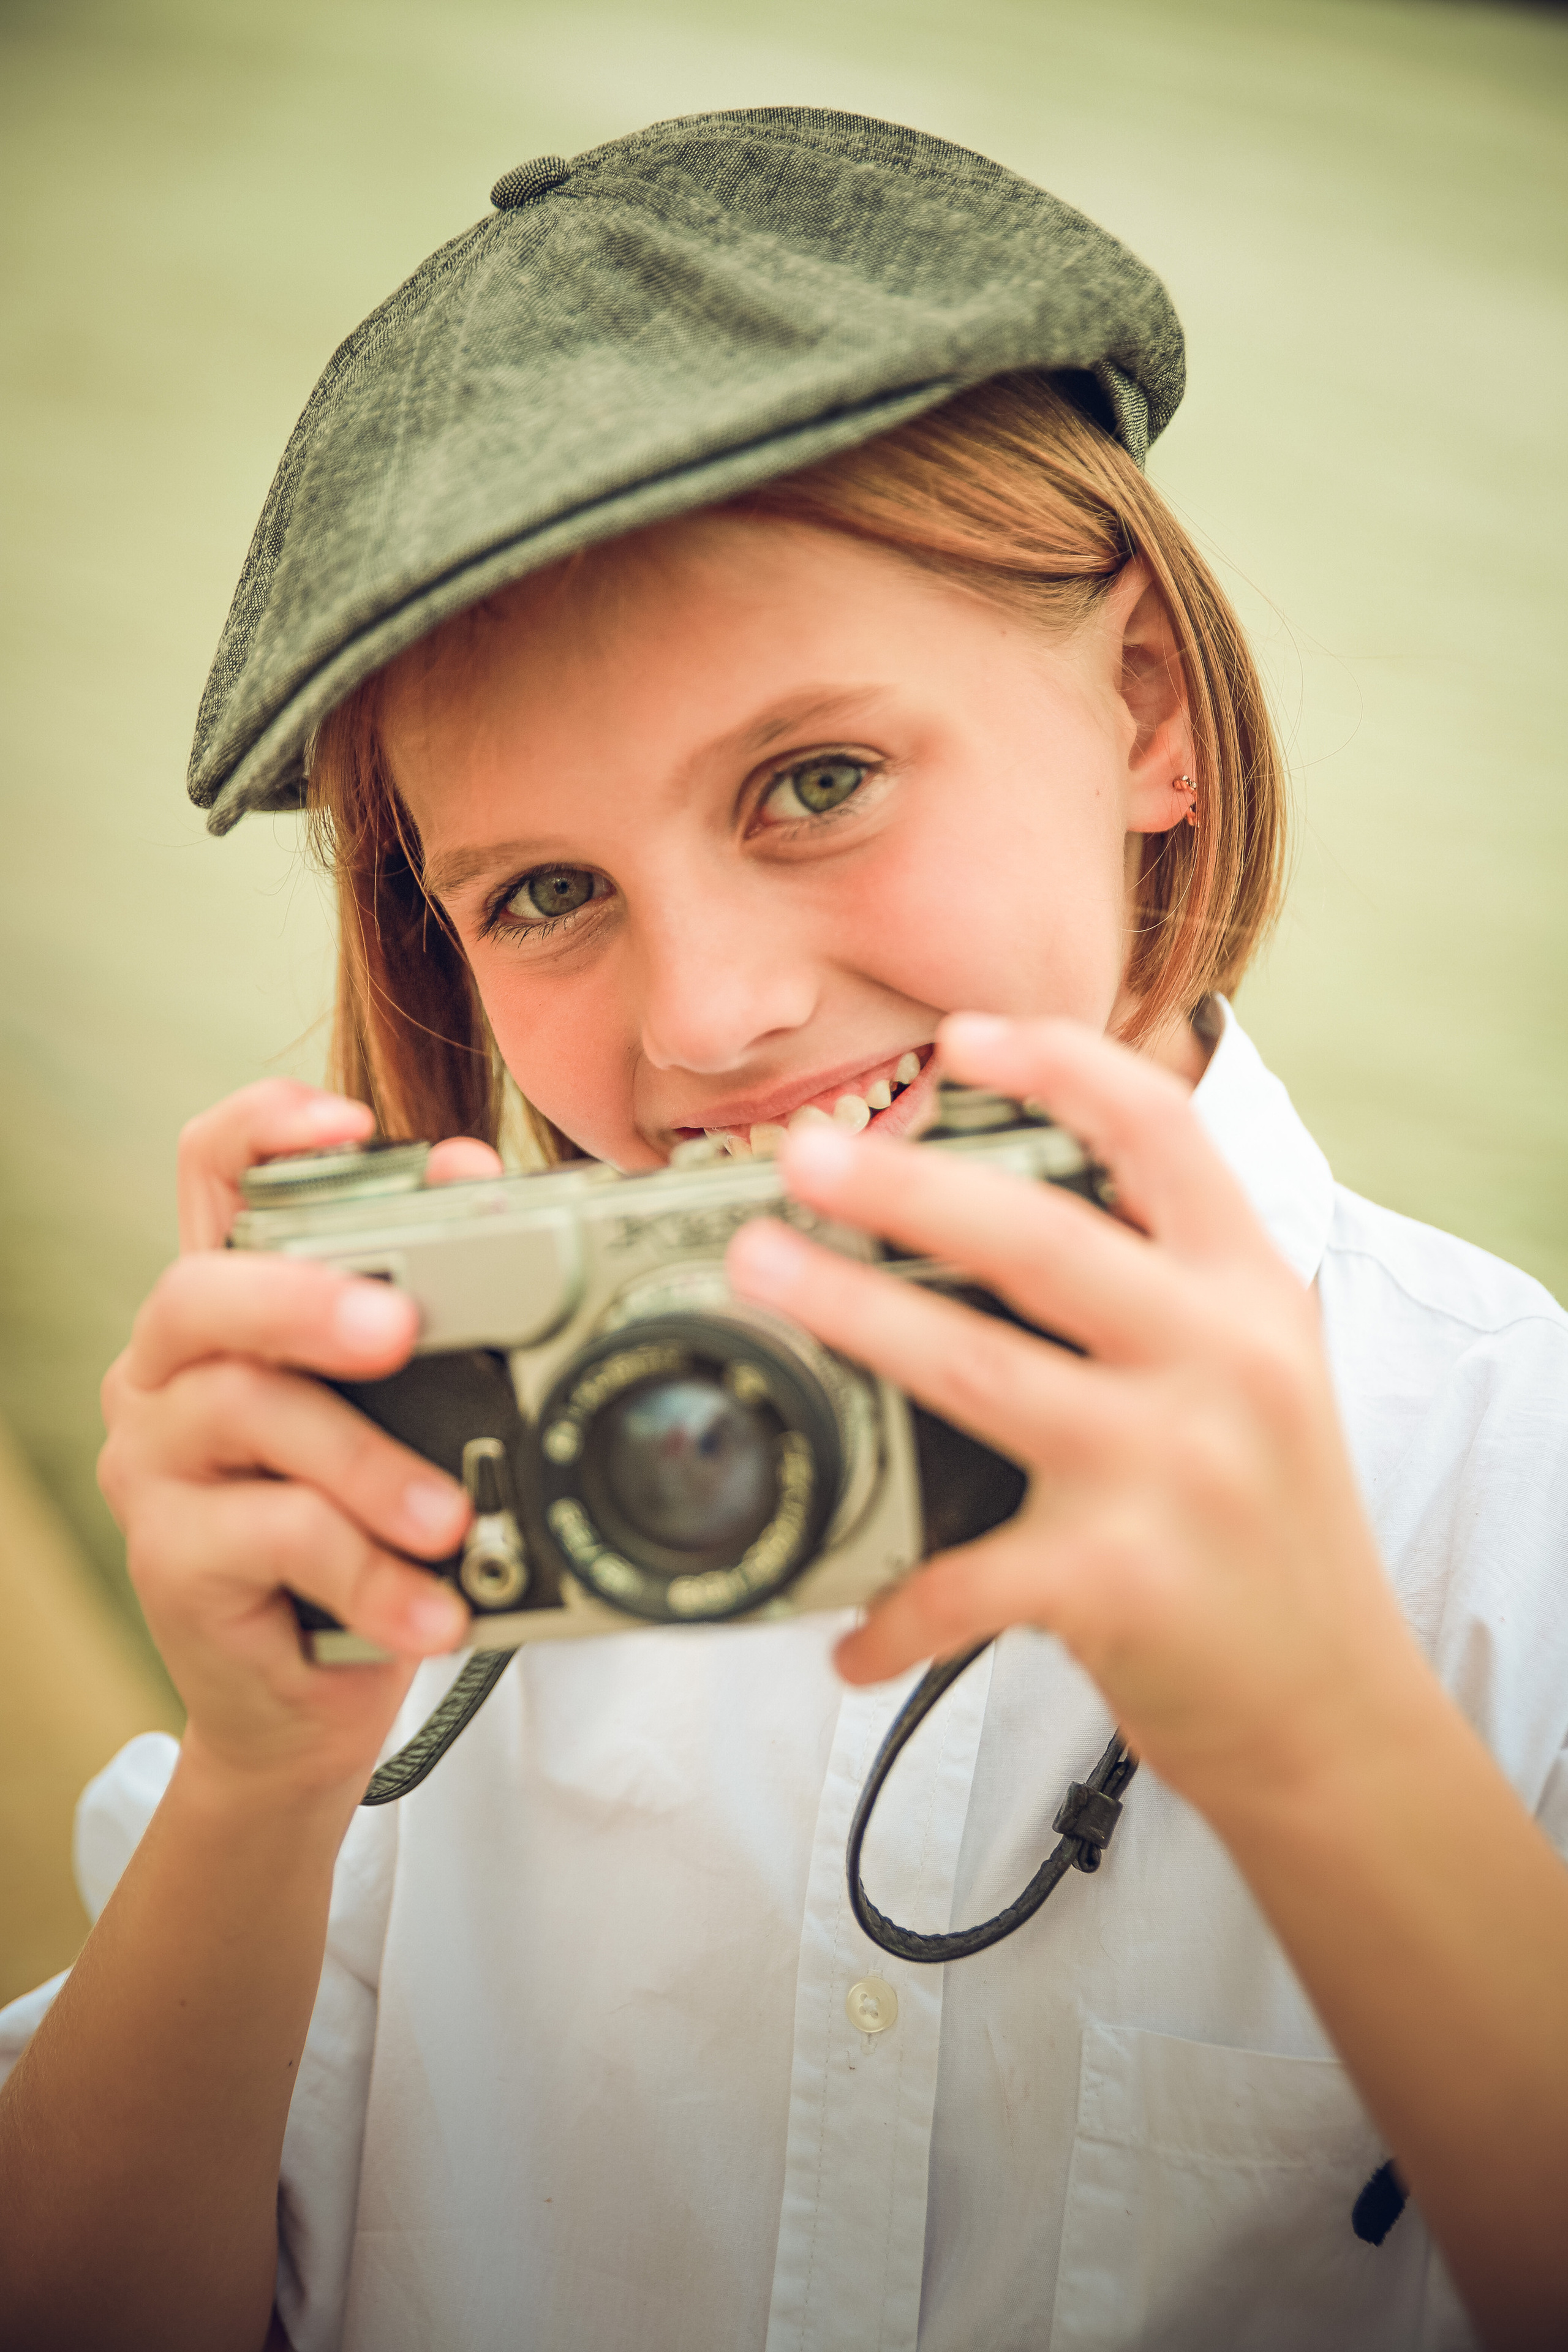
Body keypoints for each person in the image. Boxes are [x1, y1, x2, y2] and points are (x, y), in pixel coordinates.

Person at [0, 106, 1564, 2352]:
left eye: (814, 781)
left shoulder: (1525, 1512)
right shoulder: (399, 1528)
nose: (712, 1013)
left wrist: (1326, 1740)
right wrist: (259, 1787)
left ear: (1146, 709)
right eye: (545, 894)